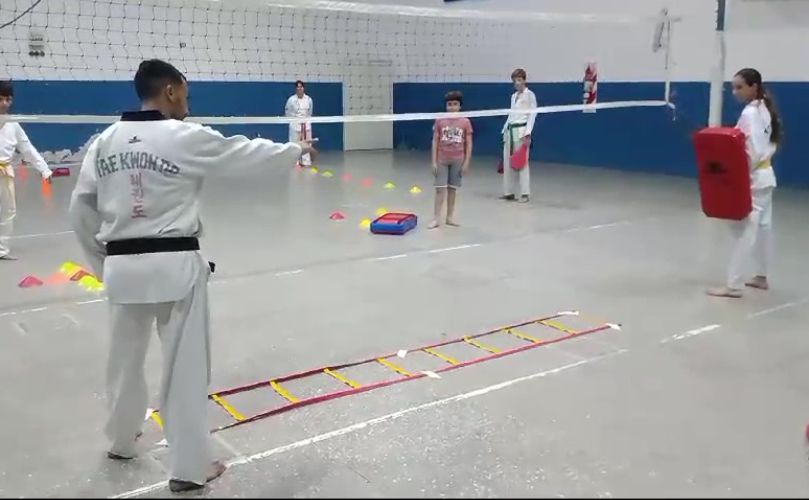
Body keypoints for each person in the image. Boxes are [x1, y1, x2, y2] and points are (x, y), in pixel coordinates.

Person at [68, 59, 312, 492]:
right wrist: (295, 151)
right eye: (186, 93)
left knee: (122, 363)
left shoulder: (104, 142)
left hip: (122, 269)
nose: (187, 101)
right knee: (185, 369)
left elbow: (80, 209)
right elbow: (242, 153)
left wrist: (103, 265)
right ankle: (188, 468)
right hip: (175, 267)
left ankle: (122, 441)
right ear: (172, 91)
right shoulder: (183, 136)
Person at [708, 68, 781, 298]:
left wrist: (735, 178)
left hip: (755, 178)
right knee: (763, 228)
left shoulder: (750, 113)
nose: (735, 92)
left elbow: (749, 151)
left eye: (739, 87)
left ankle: (734, 285)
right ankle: (761, 276)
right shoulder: (764, 108)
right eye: (733, 87)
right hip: (767, 176)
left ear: (754, 87)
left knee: (744, 232)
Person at [0, 80, 53, 260]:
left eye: (8, 99)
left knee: (8, 211)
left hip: (4, 174)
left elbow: (27, 149)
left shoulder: (13, 125)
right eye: (1, 99)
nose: (5, 103)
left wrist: (44, 170)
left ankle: (1, 250)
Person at [430, 90, 473, 229]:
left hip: (458, 159)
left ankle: (450, 217)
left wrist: (466, 162)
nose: (452, 107)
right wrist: (434, 161)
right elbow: (435, 141)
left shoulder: (465, 121)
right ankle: (436, 218)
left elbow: (469, 142)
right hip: (442, 159)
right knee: (440, 189)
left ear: (460, 106)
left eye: (455, 104)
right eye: (449, 104)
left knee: (452, 189)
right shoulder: (440, 120)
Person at [501, 68, 537, 203]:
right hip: (510, 131)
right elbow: (511, 115)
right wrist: (504, 129)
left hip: (522, 132)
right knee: (508, 162)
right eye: (515, 81)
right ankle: (508, 192)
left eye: (519, 80)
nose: (517, 83)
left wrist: (528, 133)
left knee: (522, 163)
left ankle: (525, 193)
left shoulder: (530, 95)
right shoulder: (513, 96)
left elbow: (533, 115)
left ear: (524, 80)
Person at [285, 80, 313, 167]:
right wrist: (293, 120)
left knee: (307, 143)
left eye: (301, 87)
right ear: (295, 89)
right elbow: (287, 111)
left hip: (306, 125)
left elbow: (310, 112)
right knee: (294, 143)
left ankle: (306, 161)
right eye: (298, 87)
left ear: (303, 88)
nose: (299, 89)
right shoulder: (291, 100)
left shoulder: (309, 99)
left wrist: (305, 121)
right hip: (295, 125)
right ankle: (295, 162)